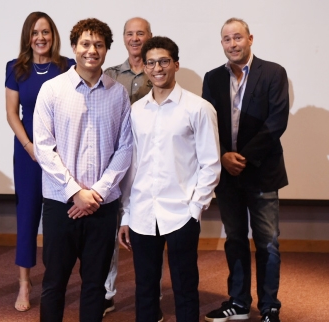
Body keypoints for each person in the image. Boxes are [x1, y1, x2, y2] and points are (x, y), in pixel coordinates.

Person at [33, 18, 133, 322]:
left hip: (102, 206)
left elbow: (125, 148)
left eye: (99, 45)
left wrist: (97, 193)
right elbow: (43, 147)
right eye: (86, 44)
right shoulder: (52, 90)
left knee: (95, 285)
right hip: (60, 204)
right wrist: (76, 192)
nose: (92, 50)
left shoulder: (118, 94)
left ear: (106, 50)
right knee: (54, 283)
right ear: (74, 47)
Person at [118, 36, 221, 322]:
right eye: (150, 63)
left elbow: (211, 164)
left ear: (176, 64)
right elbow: (132, 166)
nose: (157, 68)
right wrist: (126, 214)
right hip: (142, 213)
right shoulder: (136, 111)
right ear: (144, 67)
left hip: (181, 213)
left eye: (163, 61)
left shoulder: (198, 108)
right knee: (145, 288)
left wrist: (195, 209)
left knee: (185, 287)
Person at [202, 18, 289, 322]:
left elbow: (277, 122)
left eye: (237, 37)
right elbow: (208, 125)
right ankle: (238, 303)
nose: (233, 44)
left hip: (262, 171)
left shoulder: (274, 73)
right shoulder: (212, 78)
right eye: (226, 39)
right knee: (235, 239)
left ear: (250, 39)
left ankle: (269, 308)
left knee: (268, 242)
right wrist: (224, 156)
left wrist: (243, 157)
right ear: (222, 44)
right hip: (228, 176)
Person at [5, 11, 75, 312]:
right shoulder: (16, 68)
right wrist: (30, 146)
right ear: (28, 37)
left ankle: (56, 279)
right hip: (29, 151)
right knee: (28, 215)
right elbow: (11, 113)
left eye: (45, 32)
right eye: (35, 33)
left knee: (61, 216)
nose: (41, 38)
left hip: (62, 151)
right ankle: (24, 282)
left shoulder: (67, 67)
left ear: (53, 35)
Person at [102, 16, 155, 318]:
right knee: (109, 232)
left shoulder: (159, 70)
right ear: (123, 38)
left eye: (141, 33)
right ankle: (107, 293)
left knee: (148, 234)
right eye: (130, 34)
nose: (135, 39)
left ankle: (151, 297)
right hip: (116, 164)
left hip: (148, 165)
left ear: (150, 36)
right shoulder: (110, 73)